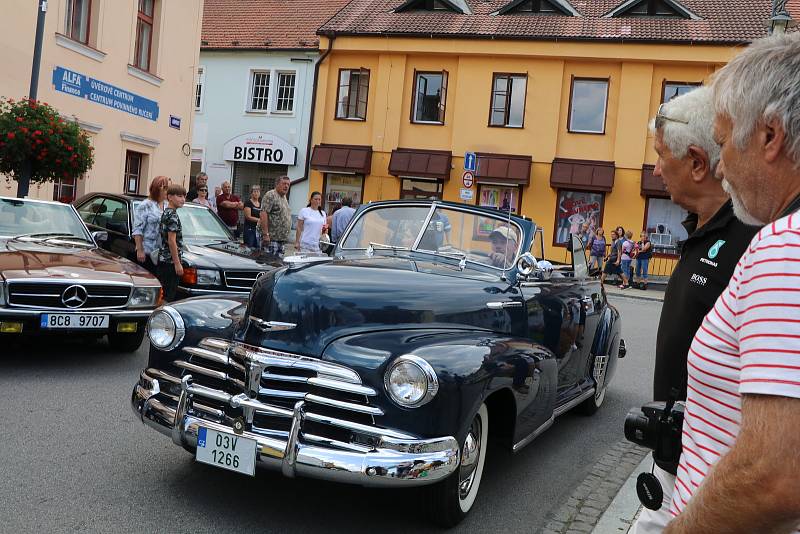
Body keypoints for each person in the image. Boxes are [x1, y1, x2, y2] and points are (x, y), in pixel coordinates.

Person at [661, 34, 800, 534]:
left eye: (722, 142)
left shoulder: (786, 245)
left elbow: (776, 475)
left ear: (770, 135)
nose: (720, 167)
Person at [629, 86, 759, 534]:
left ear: (698, 163)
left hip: (713, 480)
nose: (655, 166)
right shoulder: (701, 228)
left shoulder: (753, 240)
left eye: (662, 154)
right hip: (674, 461)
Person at [132, 175, 169, 272]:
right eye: (164, 188)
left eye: (167, 188)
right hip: (147, 251)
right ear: (156, 189)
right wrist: (140, 250)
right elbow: (137, 230)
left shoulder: (167, 205)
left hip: (162, 253)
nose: (166, 191)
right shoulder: (145, 205)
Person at [157, 184, 187, 302]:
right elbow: (171, 241)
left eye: (184, 196)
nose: (183, 199)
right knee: (168, 297)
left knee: (163, 295)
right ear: (169, 197)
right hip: (170, 262)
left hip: (163, 259)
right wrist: (177, 263)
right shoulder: (173, 215)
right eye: (179, 196)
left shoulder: (167, 212)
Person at [260, 176, 292, 258]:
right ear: (277, 184)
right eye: (284, 184)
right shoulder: (271, 195)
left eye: (288, 184)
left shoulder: (283, 197)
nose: (286, 186)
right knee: (268, 264)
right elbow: (263, 214)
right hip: (271, 239)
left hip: (281, 240)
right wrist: (265, 234)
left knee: (278, 265)